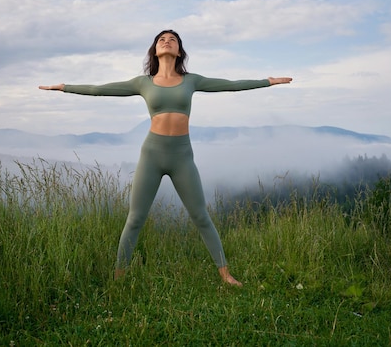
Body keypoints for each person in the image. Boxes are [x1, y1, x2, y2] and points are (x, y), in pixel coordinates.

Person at [39, 29, 292, 286]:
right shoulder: (143, 83)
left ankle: (225, 275)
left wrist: (266, 81)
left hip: (182, 156)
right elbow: (99, 89)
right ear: (155, 50)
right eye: (161, 39)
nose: (166, 41)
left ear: (179, 50)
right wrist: (63, 87)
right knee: (135, 218)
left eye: (172, 39)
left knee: (201, 216)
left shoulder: (191, 80)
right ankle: (119, 277)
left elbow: (231, 85)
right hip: (152, 154)